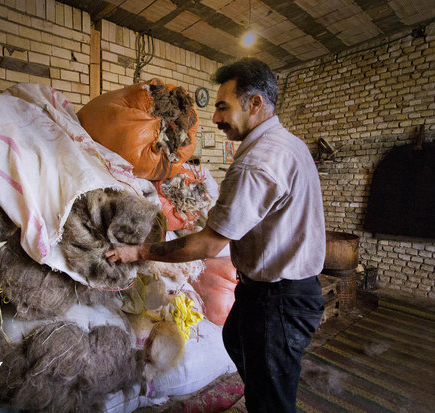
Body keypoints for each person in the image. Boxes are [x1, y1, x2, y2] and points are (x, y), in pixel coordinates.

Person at [106, 57, 325, 413]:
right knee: (236, 341)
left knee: (272, 400)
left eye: (223, 107)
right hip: (280, 290)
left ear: (255, 103)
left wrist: (140, 251)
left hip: (280, 299)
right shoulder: (290, 144)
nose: (216, 118)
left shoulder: (257, 162)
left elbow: (209, 244)